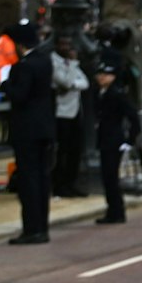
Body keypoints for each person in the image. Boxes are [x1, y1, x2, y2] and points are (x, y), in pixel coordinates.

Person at [4, 23, 55, 245]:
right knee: (42, 179)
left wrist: (5, 85)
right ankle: (41, 226)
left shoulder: (23, 66)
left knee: (29, 180)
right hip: (44, 127)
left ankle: (31, 229)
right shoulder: (44, 61)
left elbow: (19, 95)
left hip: (27, 130)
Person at [92, 51, 140, 224]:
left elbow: (133, 116)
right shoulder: (101, 93)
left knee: (111, 176)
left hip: (114, 139)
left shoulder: (117, 93)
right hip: (105, 138)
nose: (101, 78)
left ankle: (117, 211)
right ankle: (112, 209)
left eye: (105, 75)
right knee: (107, 177)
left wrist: (130, 140)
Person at [50, 33, 89, 199]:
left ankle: (71, 183)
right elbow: (64, 81)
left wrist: (73, 85)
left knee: (75, 151)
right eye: (63, 44)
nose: (67, 48)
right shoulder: (53, 62)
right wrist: (72, 67)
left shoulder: (71, 63)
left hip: (75, 112)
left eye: (69, 45)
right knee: (62, 152)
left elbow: (84, 82)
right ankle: (59, 185)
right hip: (60, 113)